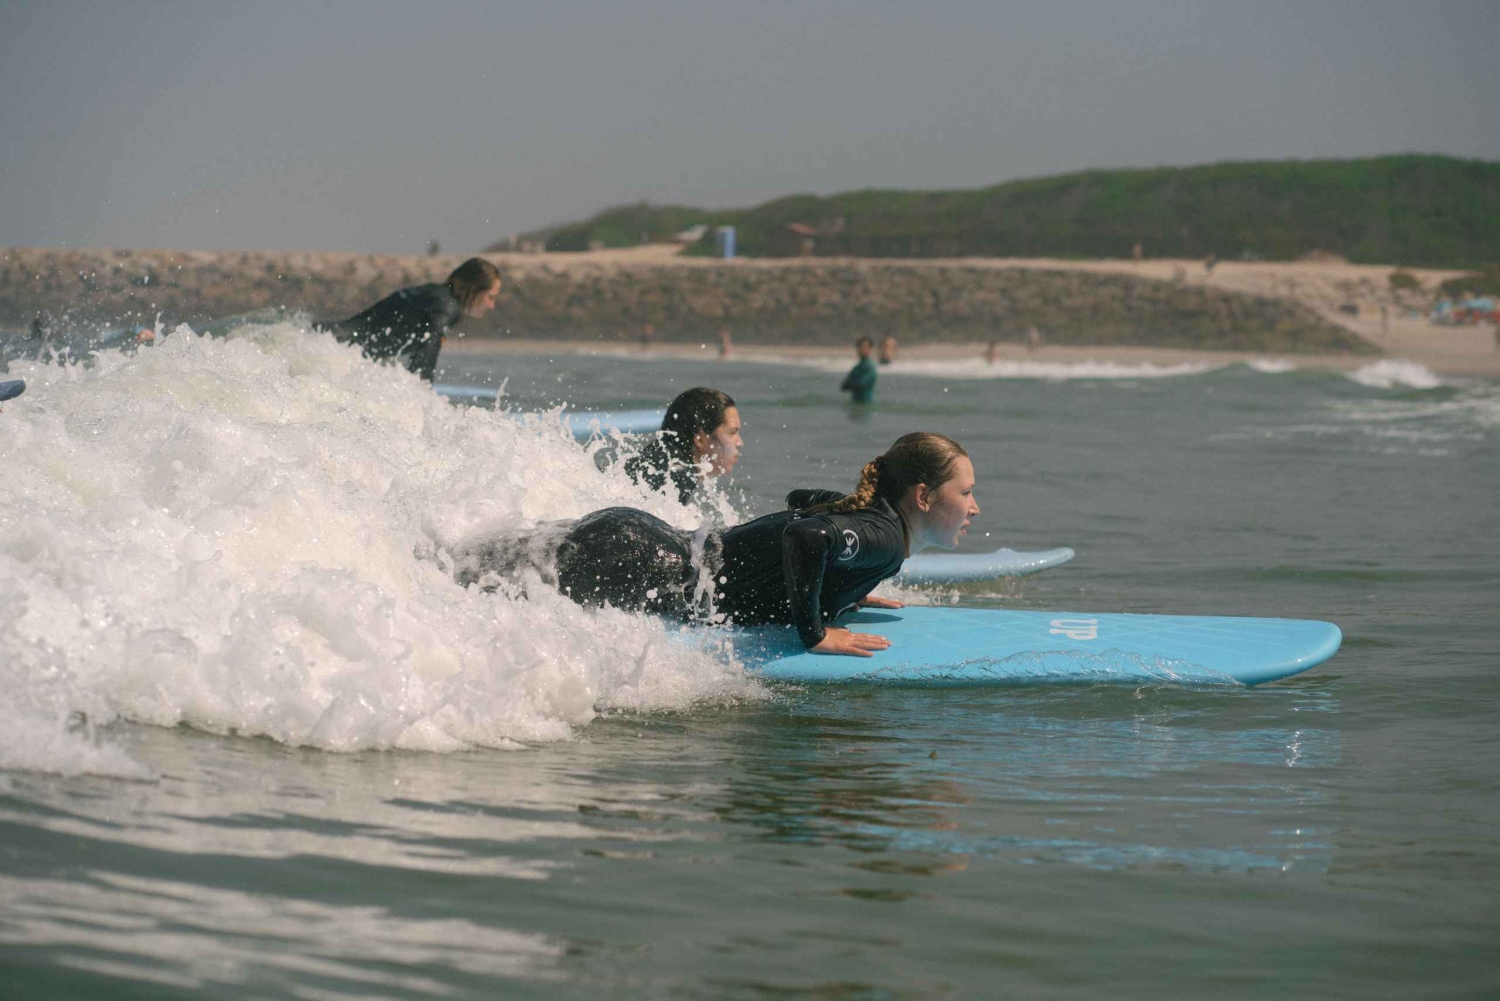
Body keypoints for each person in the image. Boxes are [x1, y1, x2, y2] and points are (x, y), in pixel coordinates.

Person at [550, 432, 979, 657]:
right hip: (640, 561)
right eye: (965, 493)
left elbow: (800, 501)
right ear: (922, 497)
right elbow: (805, 533)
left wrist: (843, 574)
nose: (974, 508)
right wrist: (813, 635)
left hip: (641, 542)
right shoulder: (884, 540)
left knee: (495, 573)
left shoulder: (877, 529)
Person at [324, 257, 501, 381]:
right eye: (490, 297)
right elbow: (429, 344)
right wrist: (423, 397)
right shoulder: (447, 307)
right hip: (334, 346)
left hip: (329, 342)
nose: (492, 305)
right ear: (473, 288)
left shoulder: (436, 296)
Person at [623, 388, 742, 504]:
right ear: (700, 439)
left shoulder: (659, 457)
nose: (739, 442)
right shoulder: (678, 474)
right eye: (732, 432)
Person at [841, 336, 877, 404]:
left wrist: (851, 384)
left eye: (865, 347)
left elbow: (860, 385)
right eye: (860, 346)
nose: (862, 349)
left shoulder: (870, 367)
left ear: (870, 349)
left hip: (866, 403)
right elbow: (843, 386)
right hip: (855, 403)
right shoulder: (857, 367)